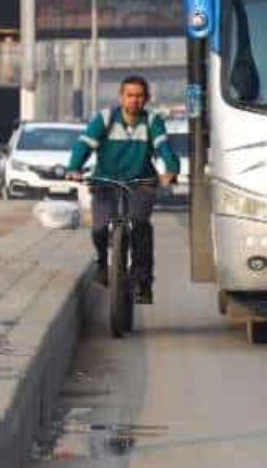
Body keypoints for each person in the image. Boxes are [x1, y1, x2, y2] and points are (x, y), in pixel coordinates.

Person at [64, 76, 181, 304]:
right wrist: (73, 167)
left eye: (139, 96)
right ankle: (101, 262)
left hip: (141, 184)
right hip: (105, 183)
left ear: (146, 99)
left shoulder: (152, 120)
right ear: (121, 97)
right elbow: (84, 145)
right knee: (99, 228)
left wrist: (171, 169)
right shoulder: (105, 119)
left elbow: (163, 147)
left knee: (140, 226)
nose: (134, 101)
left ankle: (143, 282)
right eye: (130, 95)